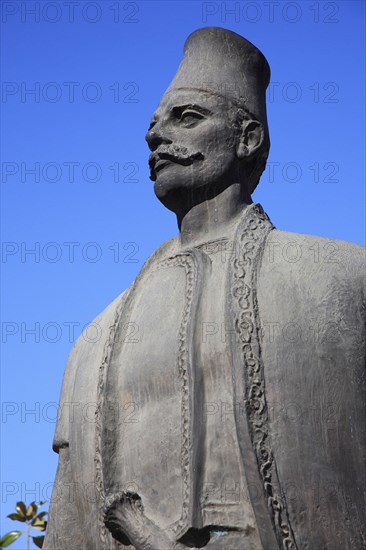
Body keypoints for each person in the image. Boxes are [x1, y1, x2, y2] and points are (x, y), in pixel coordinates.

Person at [44, 27, 365, 550]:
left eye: (186, 117)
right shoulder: (92, 345)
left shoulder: (344, 280)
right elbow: (67, 524)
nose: (155, 136)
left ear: (248, 138)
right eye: (152, 125)